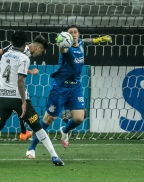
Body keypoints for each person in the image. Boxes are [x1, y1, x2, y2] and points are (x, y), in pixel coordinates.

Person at [0, 30, 64, 166]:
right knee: (37, 127)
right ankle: (54, 156)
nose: (40, 54)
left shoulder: (6, 54)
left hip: (3, 95)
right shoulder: (24, 57)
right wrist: (23, 102)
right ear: (36, 46)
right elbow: (20, 80)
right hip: (15, 94)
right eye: (42, 51)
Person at [26, 25, 112, 158]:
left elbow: (87, 41)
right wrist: (62, 42)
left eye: (75, 32)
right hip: (61, 87)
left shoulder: (81, 43)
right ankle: (32, 148)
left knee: (79, 118)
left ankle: (64, 131)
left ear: (78, 34)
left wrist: (98, 40)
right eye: (70, 33)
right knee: (49, 119)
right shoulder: (65, 48)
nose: (74, 34)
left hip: (75, 87)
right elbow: (62, 48)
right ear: (67, 36)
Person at [0, 35, 47, 141]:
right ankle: (23, 132)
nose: (40, 54)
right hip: (6, 80)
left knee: (13, 103)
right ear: (39, 48)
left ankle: (23, 132)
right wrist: (30, 71)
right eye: (42, 51)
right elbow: (17, 69)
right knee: (22, 101)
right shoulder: (22, 51)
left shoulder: (14, 47)